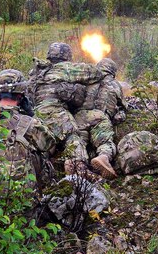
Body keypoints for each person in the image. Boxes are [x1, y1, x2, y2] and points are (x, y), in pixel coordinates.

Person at [0, 68, 58, 187]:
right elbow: (50, 144)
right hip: (22, 199)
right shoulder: (29, 123)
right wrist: (31, 114)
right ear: (21, 96)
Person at [31, 43, 104, 175]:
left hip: (33, 113)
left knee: (45, 144)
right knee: (73, 138)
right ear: (66, 56)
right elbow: (95, 73)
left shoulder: (37, 70)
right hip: (53, 111)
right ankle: (78, 168)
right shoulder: (65, 68)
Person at [74, 57, 126, 179]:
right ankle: (103, 157)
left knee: (79, 142)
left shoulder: (87, 80)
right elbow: (123, 107)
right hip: (100, 117)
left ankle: (76, 161)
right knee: (105, 142)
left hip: (79, 117)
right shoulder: (114, 84)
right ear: (112, 71)